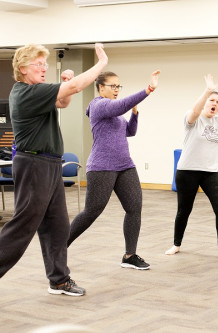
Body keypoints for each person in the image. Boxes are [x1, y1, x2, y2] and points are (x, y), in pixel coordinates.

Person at [0, 43, 108, 296]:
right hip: (33, 164)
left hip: (49, 164)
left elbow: (63, 102)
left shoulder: (37, 91)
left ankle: (59, 279)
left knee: (57, 226)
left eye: (44, 64)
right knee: (23, 225)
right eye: (38, 64)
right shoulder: (24, 92)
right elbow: (74, 88)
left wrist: (66, 86)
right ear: (23, 69)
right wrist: (101, 64)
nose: (43, 68)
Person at [67, 70, 160, 270]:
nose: (117, 90)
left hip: (125, 165)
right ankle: (59, 247)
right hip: (102, 166)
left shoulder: (115, 115)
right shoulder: (99, 106)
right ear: (101, 88)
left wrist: (135, 113)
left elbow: (130, 132)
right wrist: (148, 89)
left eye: (119, 86)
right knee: (92, 211)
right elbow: (120, 106)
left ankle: (129, 255)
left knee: (134, 208)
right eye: (113, 86)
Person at [165, 74, 218, 262]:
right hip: (187, 171)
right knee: (184, 210)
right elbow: (194, 111)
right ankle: (176, 244)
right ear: (205, 102)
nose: (215, 104)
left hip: (211, 172)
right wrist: (207, 90)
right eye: (212, 101)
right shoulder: (192, 119)